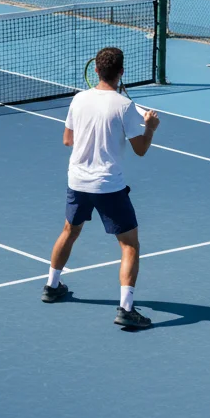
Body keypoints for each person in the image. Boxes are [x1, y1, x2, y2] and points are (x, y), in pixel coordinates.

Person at [44, 47, 160, 330]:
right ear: (121, 73)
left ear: (96, 70)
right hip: (108, 186)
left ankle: (51, 286)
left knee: (69, 231)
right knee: (130, 245)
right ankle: (126, 309)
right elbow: (141, 150)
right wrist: (151, 128)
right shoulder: (124, 106)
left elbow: (67, 140)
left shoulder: (79, 99)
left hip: (78, 182)